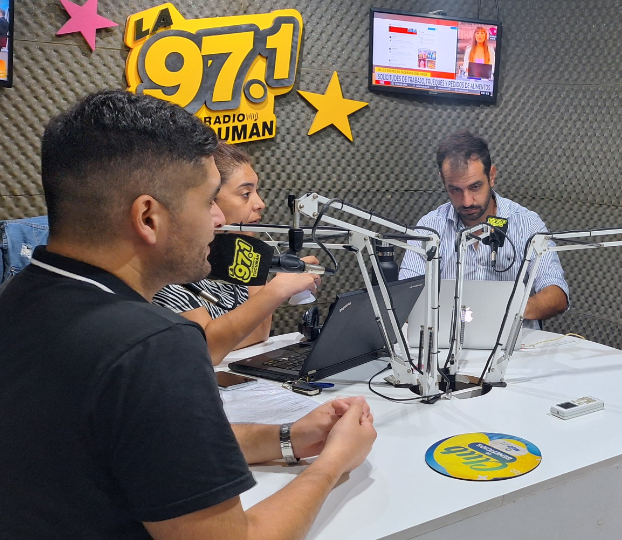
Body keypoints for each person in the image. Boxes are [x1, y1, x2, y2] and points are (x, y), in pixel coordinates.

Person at [0, 90, 376, 539]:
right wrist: (333, 463)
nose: (219, 219)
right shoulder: (153, 345)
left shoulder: (18, 296)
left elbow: (143, 444)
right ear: (148, 217)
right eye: (208, 200)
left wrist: (286, 437)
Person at [152, 141, 319, 364]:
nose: (260, 204)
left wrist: (277, 283)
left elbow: (259, 332)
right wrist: (278, 290)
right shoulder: (171, 266)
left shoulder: (239, 252)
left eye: (256, 192)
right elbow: (205, 347)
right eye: (245, 193)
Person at [399, 130, 569, 323]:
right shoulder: (429, 228)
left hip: (514, 339)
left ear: (492, 176)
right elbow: (406, 301)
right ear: (443, 181)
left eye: (475, 187)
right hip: (448, 339)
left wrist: (515, 309)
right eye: (455, 190)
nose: (467, 201)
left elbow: (557, 294)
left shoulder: (527, 223)